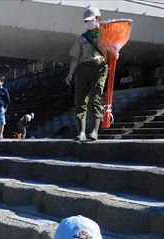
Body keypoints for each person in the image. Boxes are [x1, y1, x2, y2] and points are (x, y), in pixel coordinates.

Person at [65, 5, 109, 141]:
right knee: (80, 101)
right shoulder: (82, 38)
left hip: (99, 69)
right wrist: (70, 74)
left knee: (95, 99)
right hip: (83, 70)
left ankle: (95, 131)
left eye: (90, 20)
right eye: (86, 21)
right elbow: (75, 58)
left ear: (98, 18)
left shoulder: (107, 33)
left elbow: (114, 50)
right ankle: (82, 132)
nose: (88, 23)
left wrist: (116, 53)